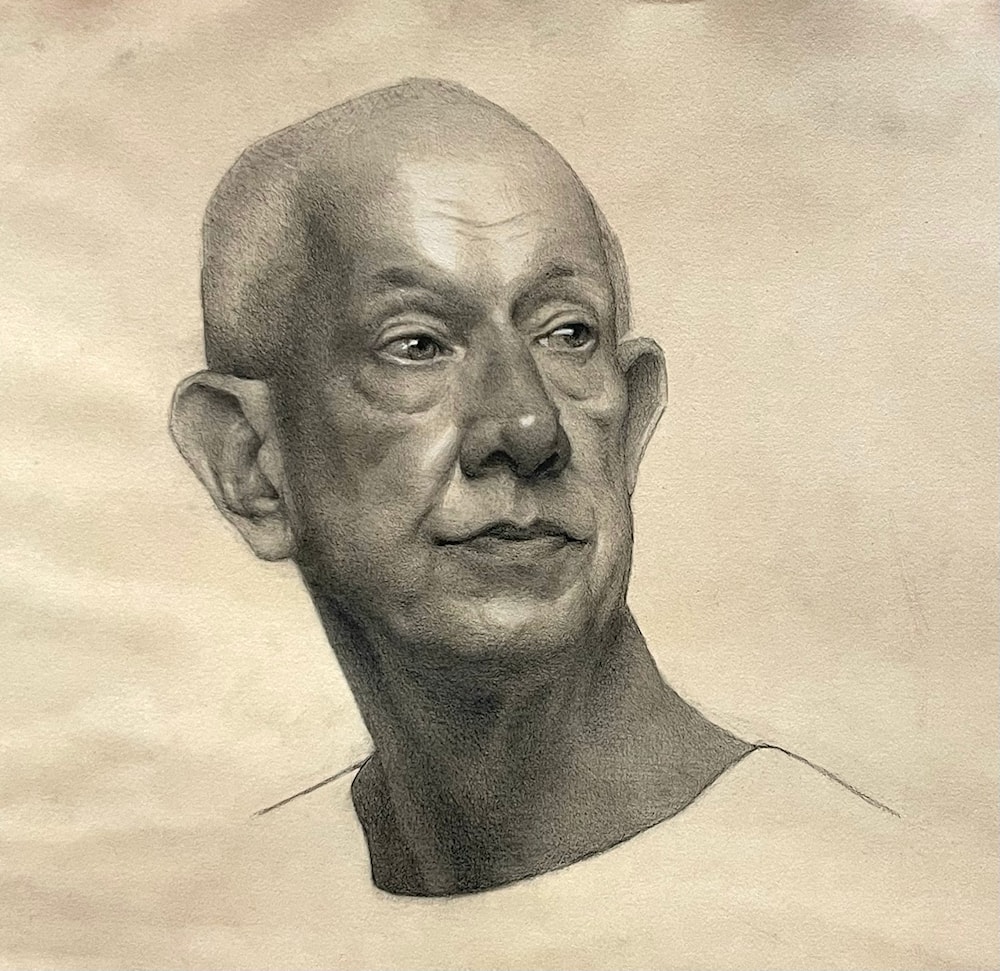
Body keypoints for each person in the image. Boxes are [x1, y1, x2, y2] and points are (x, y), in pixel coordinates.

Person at [169, 77, 890, 900]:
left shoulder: (852, 899)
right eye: (417, 344)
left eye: (567, 333)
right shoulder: (219, 910)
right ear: (250, 463)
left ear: (629, 421)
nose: (527, 426)